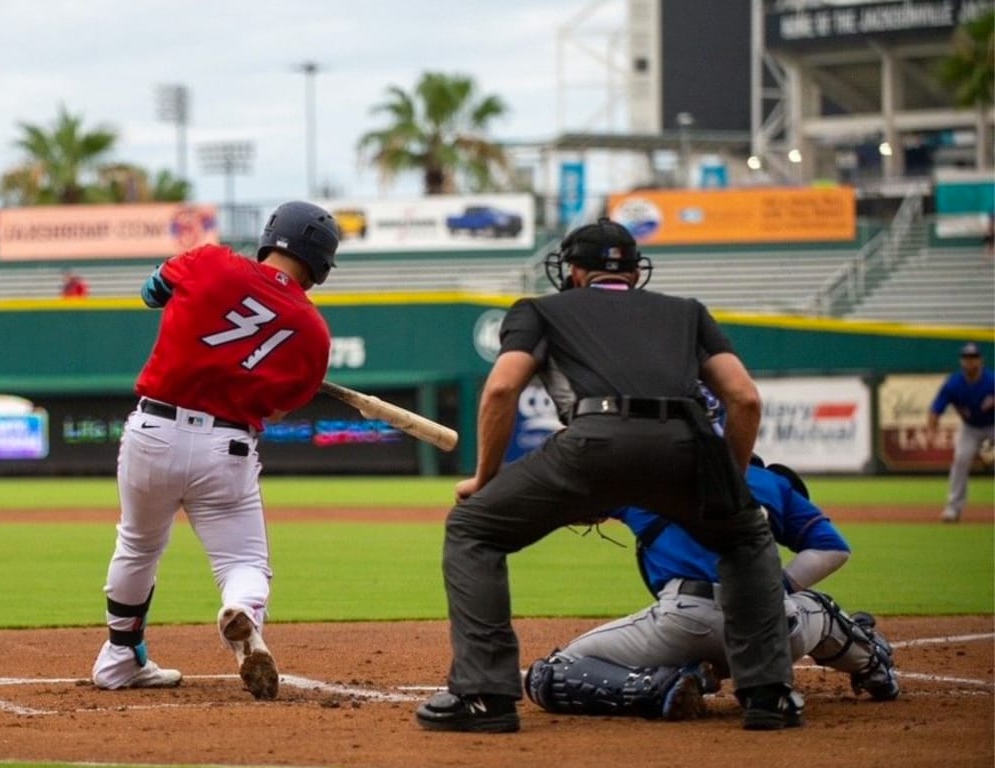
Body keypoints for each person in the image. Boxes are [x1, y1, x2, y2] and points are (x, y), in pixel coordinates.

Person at [415, 219, 797, 733]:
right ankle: (769, 697)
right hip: (688, 443)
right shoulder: (687, 313)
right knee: (746, 538)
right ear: (636, 271)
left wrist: (484, 478)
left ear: (573, 271)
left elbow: (502, 390)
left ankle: (485, 698)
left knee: (473, 529)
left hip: (594, 442)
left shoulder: (539, 311)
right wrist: (724, 482)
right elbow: (745, 397)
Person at [89, 201, 340, 699]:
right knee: (243, 562)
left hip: (153, 429)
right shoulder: (313, 332)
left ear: (270, 237)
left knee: (138, 544)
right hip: (224, 446)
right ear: (322, 264)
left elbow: (150, 293)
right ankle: (242, 610)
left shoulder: (209, 261)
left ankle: (120, 657)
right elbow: (276, 412)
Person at [524, 456, 899, 721]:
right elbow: (833, 549)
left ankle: (658, 686)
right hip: (778, 629)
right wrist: (774, 588)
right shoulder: (769, 481)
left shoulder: (651, 478)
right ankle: (873, 666)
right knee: (817, 608)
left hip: (685, 627)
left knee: (553, 671)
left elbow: (569, 499)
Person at [927, 342, 994, 523]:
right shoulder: (954, 384)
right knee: (960, 460)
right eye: (966, 358)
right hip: (970, 428)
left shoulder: (991, 381)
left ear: (981, 360)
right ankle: (953, 509)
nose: (970, 362)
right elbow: (935, 409)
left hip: (992, 425)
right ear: (961, 361)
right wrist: (932, 428)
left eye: (973, 358)